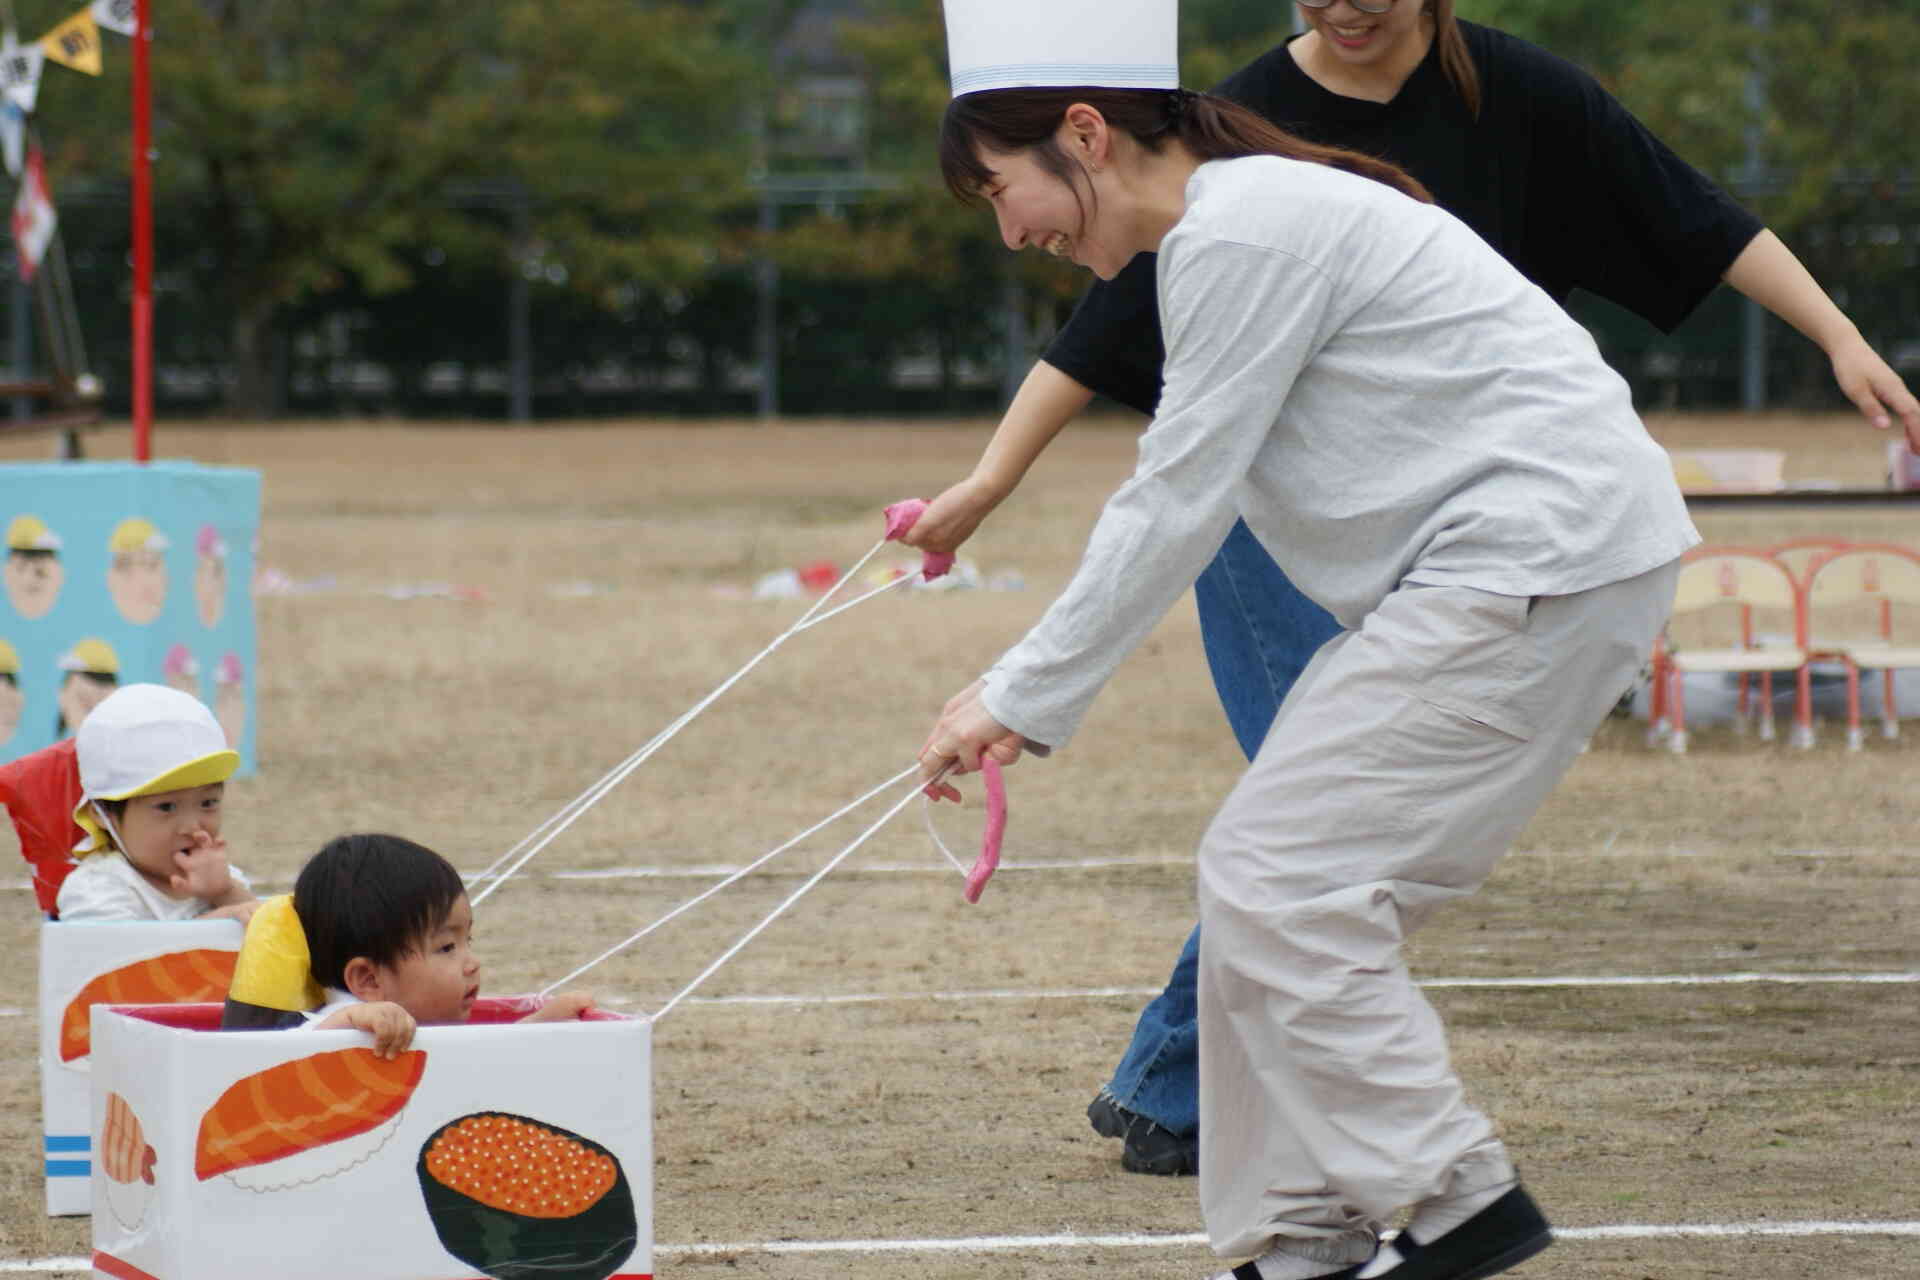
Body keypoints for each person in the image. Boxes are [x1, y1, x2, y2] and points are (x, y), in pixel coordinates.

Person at [906, 0, 1920, 1179]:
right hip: (1493, 564)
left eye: (995, 196)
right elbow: (1115, 382)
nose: (1008, 231)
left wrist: (1015, 694)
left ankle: (1431, 1189)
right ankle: (1294, 1219)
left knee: (1284, 873)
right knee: (1270, 869)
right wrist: (990, 498)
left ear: (1084, 135)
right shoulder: (1222, 208)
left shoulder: (1245, 224)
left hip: (1533, 559)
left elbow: (1175, 495)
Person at [220, 832, 594, 1054]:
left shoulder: (426, 1017)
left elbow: (479, 1061)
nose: (472, 963)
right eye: (447, 947)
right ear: (368, 981)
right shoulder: (341, 1025)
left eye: (468, 940)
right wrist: (351, 1020)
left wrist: (543, 1025)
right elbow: (279, 1058)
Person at [54, 683, 258, 923]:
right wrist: (216, 926)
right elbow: (119, 957)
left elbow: (269, 934)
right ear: (102, 813)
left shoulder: (220, 877)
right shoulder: (96, 889)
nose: (192, 827)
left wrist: (225, 892)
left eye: (208, 802)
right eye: (166, 807)